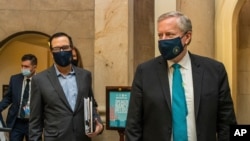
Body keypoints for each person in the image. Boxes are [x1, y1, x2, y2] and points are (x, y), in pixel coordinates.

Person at [125, 11, 237, 141]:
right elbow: (133, 125)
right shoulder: (145, 72)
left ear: (187, 37)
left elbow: (227, 123)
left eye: (170, 35)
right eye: (160, 35)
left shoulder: (214, 71)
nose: (163, 40)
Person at [29, 32, 104, 141]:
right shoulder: (40, 80)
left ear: (71, 49)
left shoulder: (85, 76)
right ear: (51, 53)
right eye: (57, 49)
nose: (61, 51)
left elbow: (90, 105)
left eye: (65, 47)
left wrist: (99, 124)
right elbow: (35, 122)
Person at [0, 54, 37, 141]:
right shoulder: (15, 79)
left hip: (32, 123)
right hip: (16, 122)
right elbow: (8, 98)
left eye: (26, 66)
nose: (23, 68)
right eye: (22, 66)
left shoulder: (41, 80)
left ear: (34, 67)